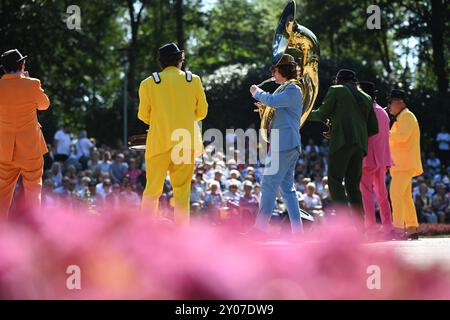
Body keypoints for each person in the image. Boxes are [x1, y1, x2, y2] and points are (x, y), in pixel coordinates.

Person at [138, 43, 208, 225]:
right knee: (182, 192)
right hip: (185, 142)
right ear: (180, 60)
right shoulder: (193, 80)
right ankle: (181, 233)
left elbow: (143, 115)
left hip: (158, 142)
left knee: (152, 191)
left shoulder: (148, 83)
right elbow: (202, 112)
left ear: (161, 62)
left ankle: (144, 231)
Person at [307, 69, 379, 223]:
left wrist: (303, 114)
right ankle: (359, 227)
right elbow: (373, 128)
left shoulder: (336, 90)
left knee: (334, 181)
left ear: (338, 80)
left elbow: (321, 114)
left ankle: (344, 225)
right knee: (353, 186)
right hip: (359, 146)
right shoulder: (366, 97)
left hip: (342, 142)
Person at [248, 54, 304, 236]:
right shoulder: (285, 89)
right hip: (287, 142)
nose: (272, 73)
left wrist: (257, 91)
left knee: (269, 184)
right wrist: (264, 109)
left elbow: (272, 101)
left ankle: (260, 229)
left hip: (284, 143)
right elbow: (276, 109)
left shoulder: (292, 89)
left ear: (282, 71)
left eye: (274, 70)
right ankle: (298, 233)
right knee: (287, 190)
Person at [0, 49, 50, 220]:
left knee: (2, 194)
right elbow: (44, 105)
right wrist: (28, 80)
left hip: (5, 150)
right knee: (34, 189)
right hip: (31, 148)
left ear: (4, 69)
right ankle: (34, 230)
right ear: (22, 65)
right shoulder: (32, 84)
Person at [358, 81, 394, 238]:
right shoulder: (383, 112)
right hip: (382, 158)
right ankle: (388, 227)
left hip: (367, 158)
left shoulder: (365, 111)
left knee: (366, 193)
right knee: (382, 194)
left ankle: (371, 228)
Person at [388, 89, 423, 240]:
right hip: (401, 165)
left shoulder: (407, 116)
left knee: (396, 195)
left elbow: (402, 137)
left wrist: (385, 132)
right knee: (405, 197)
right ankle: (412, 228)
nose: (389, 106)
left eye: (391, 103)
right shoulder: (402, 117)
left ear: (399, 102)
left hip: (404, 164)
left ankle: (397, 230)